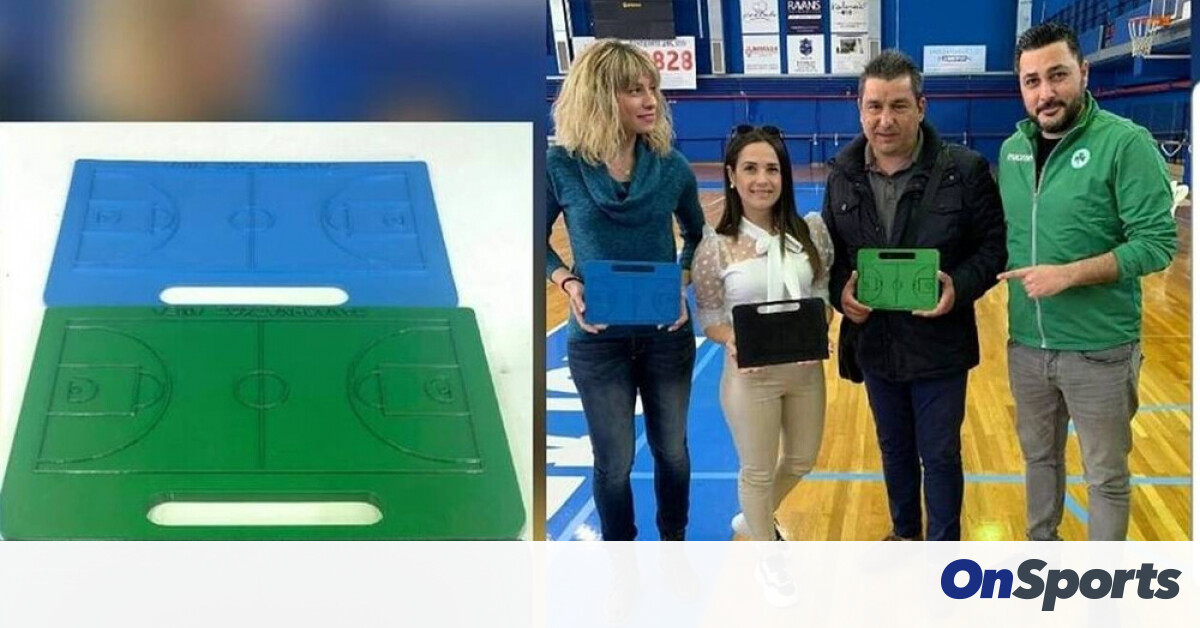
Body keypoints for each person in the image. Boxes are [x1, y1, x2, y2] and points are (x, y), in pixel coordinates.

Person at [997, 23, 1177, 541]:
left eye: (1057, 75)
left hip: (1100, 350)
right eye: (1032, 81)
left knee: (1105, 477)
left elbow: (1157, 243)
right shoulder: (1012, 150)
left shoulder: (1125, 143)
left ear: (1083, 72)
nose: (1045, 92)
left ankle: (1104, 583)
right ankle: (1042, 558)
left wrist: (1069, 274)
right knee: (1039, 460)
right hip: (1027, 344)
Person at [822, 50, 1007, 541]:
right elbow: (832, 256)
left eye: (898, 105)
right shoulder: (842, 174)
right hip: (876, 345)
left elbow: (993, 249)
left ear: (921, 107)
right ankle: (905, 536)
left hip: (939, 345)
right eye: (875, 106)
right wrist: (842, 294)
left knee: (940, 454)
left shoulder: (965, 170)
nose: (885, 120)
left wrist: (958, 286)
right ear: (860, 109)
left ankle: (942, 550)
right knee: (895, 449)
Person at [545, 39, 705, 541]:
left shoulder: (672, 167)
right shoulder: (559, 166)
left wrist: (680, 281)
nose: (651, 100)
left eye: (652, 88)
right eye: (635, 90)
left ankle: (673, 542)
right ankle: (621, 553)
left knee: (672, 451)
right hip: (597, 341)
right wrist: (567, 280)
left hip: (665, 336)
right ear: (598, 96)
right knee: (612, 462)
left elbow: (696, 235)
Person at [693, 125, 834, 541]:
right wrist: (730, 338)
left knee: (802, 459)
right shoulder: (716, 247)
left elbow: (821, 296)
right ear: (731, 175)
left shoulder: (810, 232)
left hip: (805, 372)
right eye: (750, 168)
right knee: (756, 470)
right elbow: (710, 316)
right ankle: (766, 552)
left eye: (772, 169)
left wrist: (817, 327)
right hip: (750, 377)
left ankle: (752, 519)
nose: (762, 179)